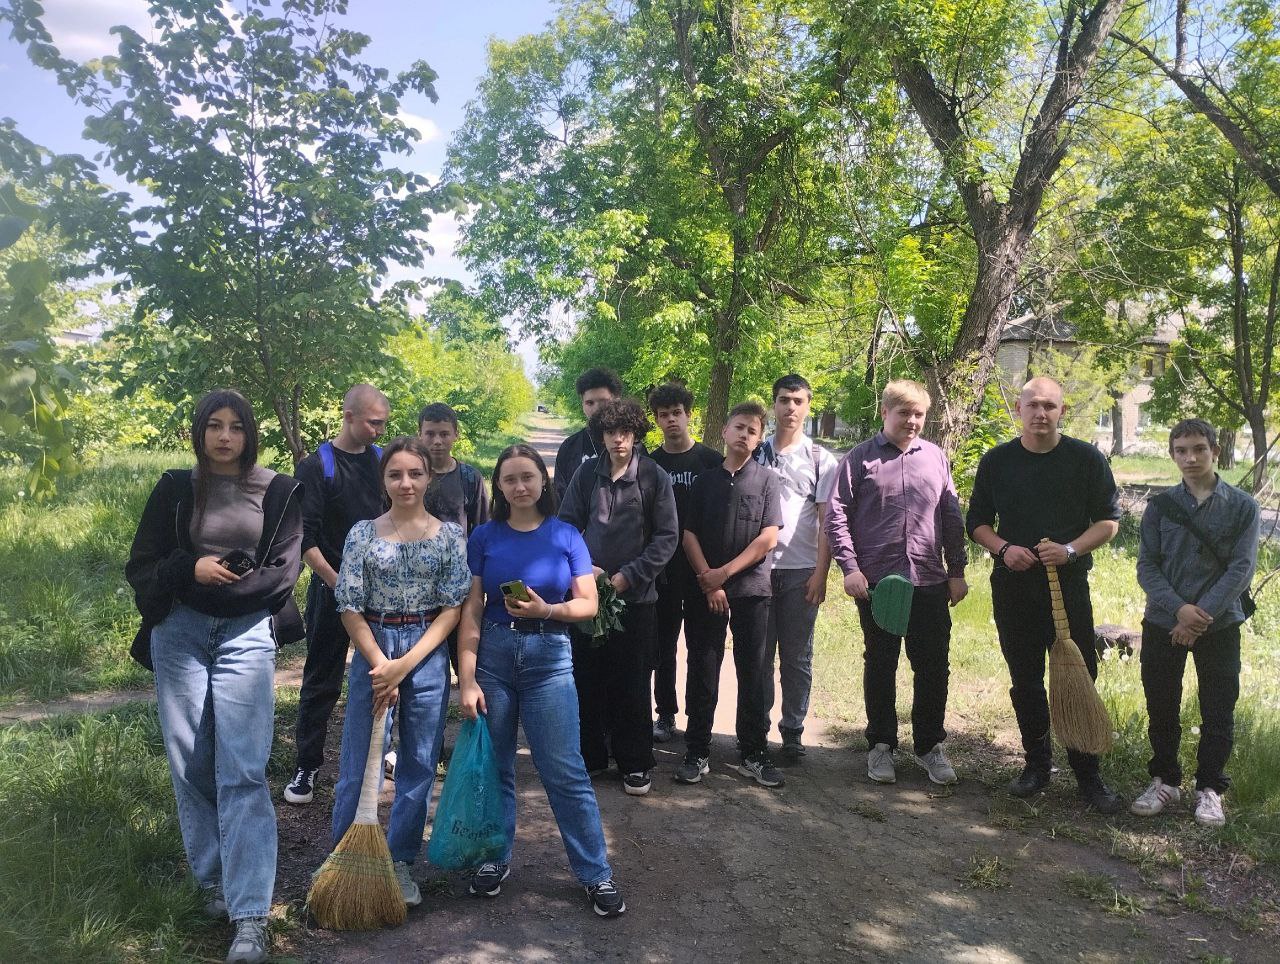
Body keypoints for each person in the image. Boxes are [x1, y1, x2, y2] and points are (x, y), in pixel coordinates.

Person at [126, 389, 303, 964]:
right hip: (177, 633)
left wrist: (212, 587)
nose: (225, 437)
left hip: (247, 634)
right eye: (214, 426)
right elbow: (143, 567)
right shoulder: (175, 487)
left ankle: (250, 915)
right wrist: (192, 569)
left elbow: (281, 575)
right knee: (190, 761)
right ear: (199, 431)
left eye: (235, 427)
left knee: (244, 771)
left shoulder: (278, 490)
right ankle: (212, 883)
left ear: (250, 433)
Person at [458, 444, 627, 917]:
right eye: (510, 479)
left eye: (528, 477)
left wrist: (547, 610)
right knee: (496, 769)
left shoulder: (567, 536)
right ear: (499, 487)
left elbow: (588, 604)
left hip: (549, 658)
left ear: (544, 481)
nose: (520, 486)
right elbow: (471, 611)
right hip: (492, 657)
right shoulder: (484, 538)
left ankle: (596, 874)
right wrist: (466, 678)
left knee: (565, 771)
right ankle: (494, 859)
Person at [966, 376, 1124, 813]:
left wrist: (1071, 549)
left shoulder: (1086, 459)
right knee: (1026, 677)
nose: (1040, 413)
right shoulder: (997, 461)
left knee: (1080, 674)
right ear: (1018, 410)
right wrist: (1004, 549)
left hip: (1068, 587)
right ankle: (1036, 767)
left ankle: (1088, 777)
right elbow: (976, 521)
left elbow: (1109, 521)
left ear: (1062, 412)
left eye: (1049, 406)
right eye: (1032, 405)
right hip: (1014, 586)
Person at [329, 436, 471, 909]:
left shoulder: (450, 535)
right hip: (373, 647)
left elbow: (452, 609)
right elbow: (348, 605)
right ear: (384, 480)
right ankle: (344, 857)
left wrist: (405, 665)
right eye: (395, 474)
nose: (405, 482)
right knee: (357, 760)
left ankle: (401, 860)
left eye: (414, 473)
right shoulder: (362, 534)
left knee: (419, 762)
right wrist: (379, 664)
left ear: (429, 478)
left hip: (426, 653)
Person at [825, 380, 967, 786]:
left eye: (919, 414)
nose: (912, 421)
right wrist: (850, 568)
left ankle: (929, 746)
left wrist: (956, 572)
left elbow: (951, 517)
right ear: (885, 412)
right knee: (882, 663)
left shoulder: (936, 458)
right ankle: (882, 745)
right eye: (904, 412)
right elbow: (835, 518)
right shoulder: (858, 460)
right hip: (877, 584)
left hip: (928, 581)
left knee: (933, 666)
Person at [1131, 419, 1260, 828]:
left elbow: (1241, 569)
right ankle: (1165, 780)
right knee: (1162, 703)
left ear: (1215, 451)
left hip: (1220, 626)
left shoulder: (1242, 506)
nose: (1190, 458)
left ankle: (1209, 788)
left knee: (1219, 707)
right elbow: (1147, 566)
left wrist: (1198, 618)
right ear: (1172, 454)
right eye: (1181, 450)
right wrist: (1178, 611)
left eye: (1199, 449)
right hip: (1162, 622)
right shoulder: (1160, 506)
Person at [559, 398, 679, 795]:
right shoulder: (586, 474)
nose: (618, 440)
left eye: (625, 432)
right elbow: (566, 526)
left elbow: (667, 538)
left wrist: (629, 577)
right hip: (588, 597)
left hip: (637, 600)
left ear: (637, 434)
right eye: (610, 432)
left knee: (631, 683)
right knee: (587, 678)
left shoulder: (653, 476)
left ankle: (635, 762)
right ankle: (591, 757)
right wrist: (584, 571)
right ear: (602, 436)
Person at [285, 384, 389, 806]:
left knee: (384, 674)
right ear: (348, 416)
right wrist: (337, 582)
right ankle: (307, 765)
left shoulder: (384, 462)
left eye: (384, 422)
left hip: (382, 593)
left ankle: (383, 755)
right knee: (321, 677)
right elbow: (303, 538)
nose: (380, 430)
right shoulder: (316, 466)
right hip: (331, 592)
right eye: (373, 422)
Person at [675, 401, 784, 789]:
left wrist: (725, 574)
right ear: (724, 431)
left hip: (751, 591)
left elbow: (768, 537)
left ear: (759, 439)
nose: (744, 435)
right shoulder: (705, 481)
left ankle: (754, 751)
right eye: (738, 427)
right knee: (703, 668)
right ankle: (697, 749)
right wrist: (709, 578)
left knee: (753, 671)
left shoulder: (768, 481)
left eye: (752, 431)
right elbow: (688, 535)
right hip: (706, 592)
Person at [754, 374, 839, 763]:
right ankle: (756, 728)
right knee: (758, 655)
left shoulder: (822, 460)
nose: (791, 408)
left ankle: (792, 731)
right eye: (784, 400)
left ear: (808, 406)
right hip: (757, 571)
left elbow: (828, 523)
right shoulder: (755, 454)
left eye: (798, 401)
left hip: (801, 570)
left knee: (797, 657)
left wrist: (821, 574)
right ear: (774, 404)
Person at [646, 382, 722, 743]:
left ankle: (698, 717)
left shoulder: (710, 461)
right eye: (664, 415)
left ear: (689, 414)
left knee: (701, 647)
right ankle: (665, 714)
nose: (672, 420)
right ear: (657, 420)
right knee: (663, 647)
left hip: (701, 572)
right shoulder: (649, 464)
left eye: (677, 412)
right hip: (661, 573)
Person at [554, 367, 624, 501]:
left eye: (603, 402)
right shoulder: (569, 447)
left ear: (616, 401)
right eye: (590, 403)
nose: (596, 409)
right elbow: (561, 497)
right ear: (583, 405)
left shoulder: (633, 446)